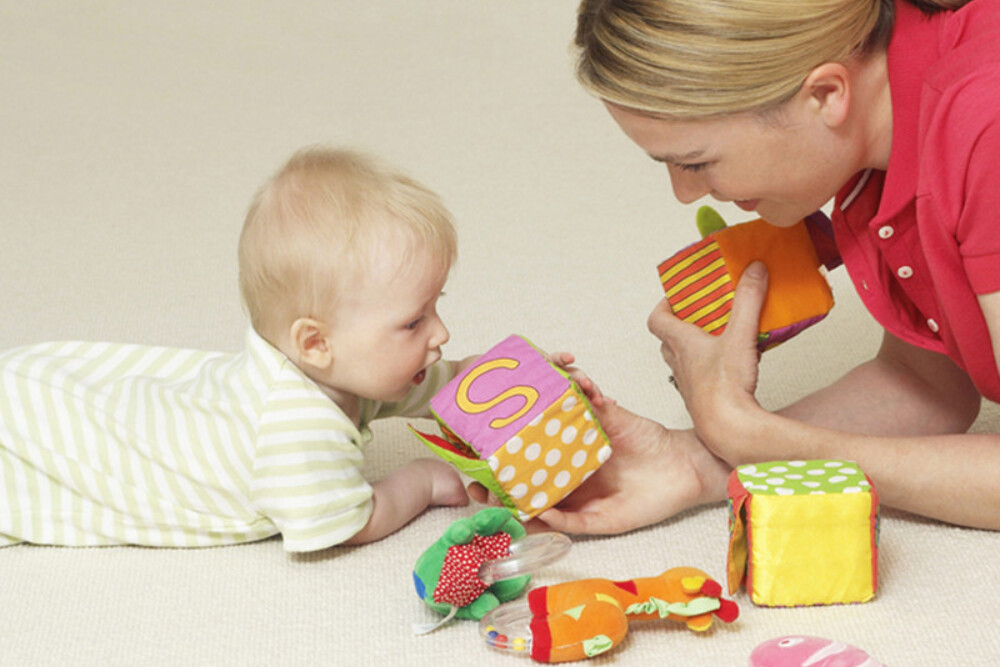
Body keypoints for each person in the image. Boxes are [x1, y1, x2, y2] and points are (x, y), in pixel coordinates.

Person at [533, 0, 1000, 533]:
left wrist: (758, 441)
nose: (686, 193)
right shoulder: (879, 125)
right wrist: (695, 462)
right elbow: (926, 383)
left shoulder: (987, 128)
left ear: (826, 94)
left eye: (696, 161)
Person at [0, 147, 477, 551]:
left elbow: (420, 386)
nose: (440, 333)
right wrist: (422, 481)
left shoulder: (335, 366)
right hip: (31, 435)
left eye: (435, 307)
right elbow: (344, 524)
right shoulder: (295, 429)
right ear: (315, 343)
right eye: (413, 322)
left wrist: (477, 378)